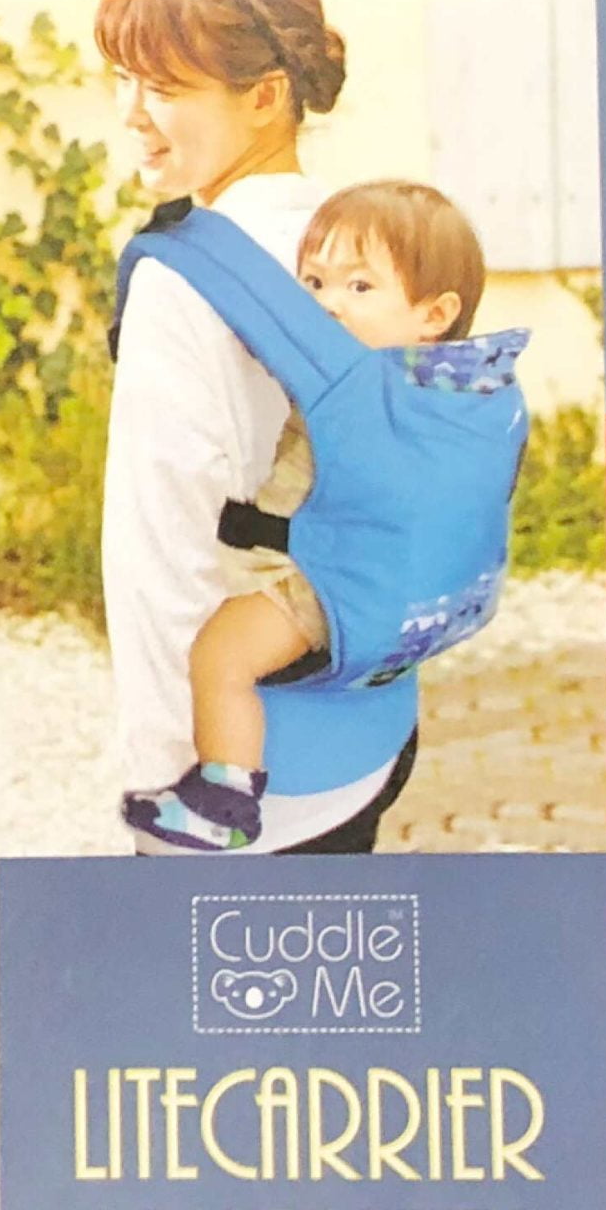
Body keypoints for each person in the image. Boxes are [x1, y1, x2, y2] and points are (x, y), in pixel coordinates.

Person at [96, 0, 417, 852]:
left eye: (165, 87)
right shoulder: (368, 242)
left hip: (244, 776)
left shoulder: (181, 278)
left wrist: (164, 775)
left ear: (266, 97)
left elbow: (160, 548)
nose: (131, 113)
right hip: (366, 733)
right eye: (122, 77)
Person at [123, 180, 521, 852]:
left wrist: (185, 238)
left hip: (329, 594)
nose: (327, 305)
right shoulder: (471, 388)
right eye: (313, 282)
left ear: (435, 313)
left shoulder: (352, 382)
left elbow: (264, 327)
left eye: (359, 286)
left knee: (220, 656)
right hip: (415, 599)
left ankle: (225, 798)